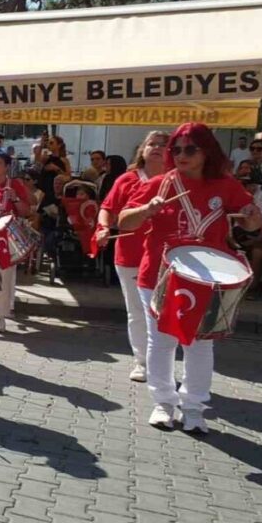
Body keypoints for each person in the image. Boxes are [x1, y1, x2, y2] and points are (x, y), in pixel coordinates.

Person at [119, 122, 261, 433]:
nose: (180, 155)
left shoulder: (225, 185)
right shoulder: (160, 183)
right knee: (162, 341)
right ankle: (163, 403)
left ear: (206, 151)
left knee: (199, 343)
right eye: (176, 150)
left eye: (189, 149)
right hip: (158, 274)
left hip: (207, 278)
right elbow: (124, 222)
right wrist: (146, 210)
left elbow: (252, 224)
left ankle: (194, 408)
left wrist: (253, 218)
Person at [96, 131, 169, 382]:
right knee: (137, 311)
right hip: (130, 254)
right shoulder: (127, 179)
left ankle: (161, 362)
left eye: (164, 145)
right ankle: (143, 362)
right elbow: (107, 208)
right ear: (143, 150)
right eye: (152, 144)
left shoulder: (177, 181)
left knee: (164, 312)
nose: (158, 148)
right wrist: (104, 228)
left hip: (167, 256)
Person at [0, 151, 32, 332]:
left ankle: (1, 317)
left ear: (6, 167)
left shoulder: (15, 185)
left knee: (4, 277)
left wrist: (15, 197)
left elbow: (26, 211)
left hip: (6, 238)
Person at [232, 166, 262, 297]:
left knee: (258, 252)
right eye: (246, 184)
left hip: (256, 239)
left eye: (252, 185)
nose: (250, 188)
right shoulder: (231, 204)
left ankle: (251, 288)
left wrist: (254, 241)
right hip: (233, 238)